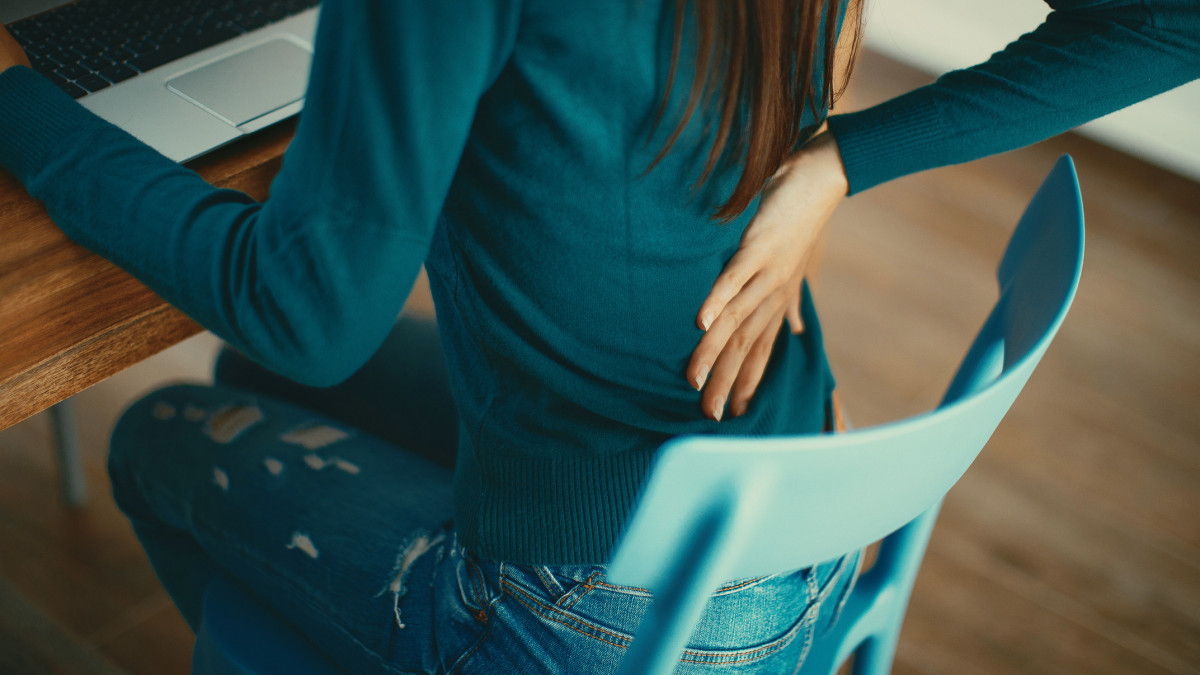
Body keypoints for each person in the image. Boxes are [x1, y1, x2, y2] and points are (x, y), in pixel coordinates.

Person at [0, 1, 1196, 672]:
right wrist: (839, 157)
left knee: (165, 433)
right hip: (799, 527)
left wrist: (19, 103)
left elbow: (307, 309)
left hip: (598, 616)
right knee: (250, 370)